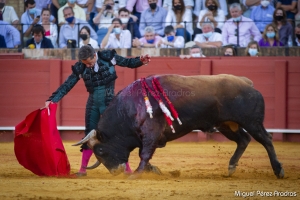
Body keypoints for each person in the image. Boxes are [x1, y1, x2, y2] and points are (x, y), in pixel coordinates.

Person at [43, 45, 151, 177]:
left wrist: (140, 60)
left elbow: (128, 63)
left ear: (95, 55)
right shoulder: (81, 67)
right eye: (85, 64)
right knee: (89, 135)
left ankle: (127, 169)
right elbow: (67, 85)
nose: (87, 66)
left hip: (110, 104)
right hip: (93, 104)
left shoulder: (108, 57)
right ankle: (82, 170)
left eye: (89, 63)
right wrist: (53, 99)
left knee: (116, 136)